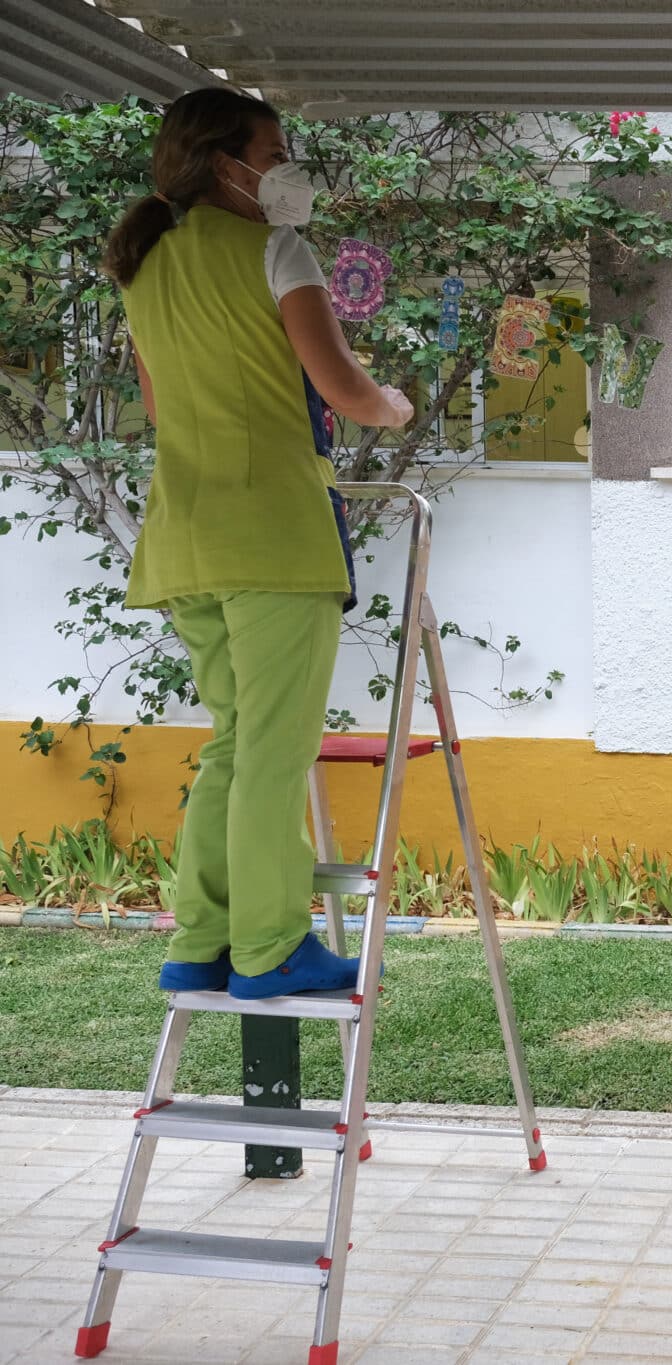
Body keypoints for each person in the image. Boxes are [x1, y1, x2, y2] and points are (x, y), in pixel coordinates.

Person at [105, 89, 414, 999]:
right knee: (275, 752)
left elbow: (162, 410)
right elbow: (343, 385)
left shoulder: (146, 265)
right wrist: (392, 405)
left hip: (187, 536)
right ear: (223, 161)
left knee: (235, 742)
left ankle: (200, 939)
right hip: (274, 535)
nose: (285, 168)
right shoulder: (279, 249)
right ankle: (274, 947)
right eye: (273, 151)